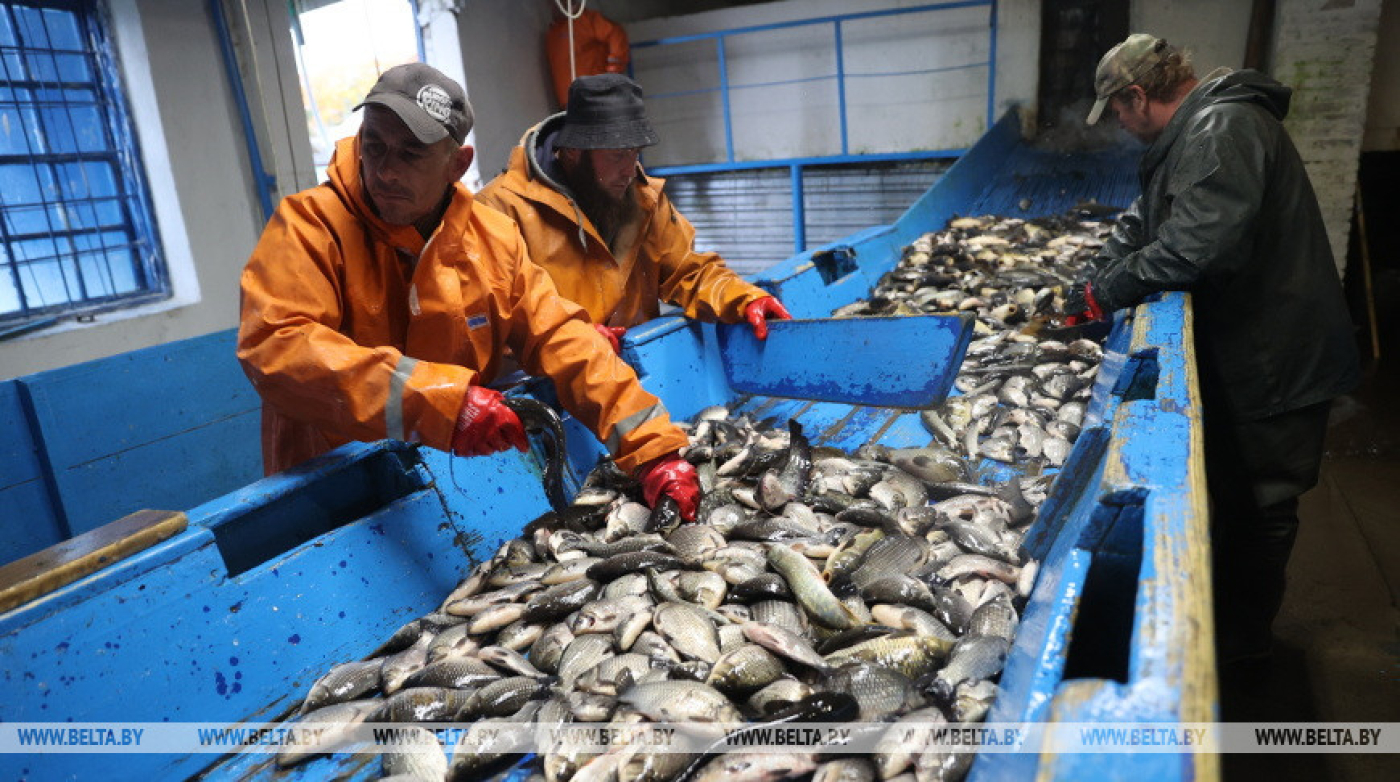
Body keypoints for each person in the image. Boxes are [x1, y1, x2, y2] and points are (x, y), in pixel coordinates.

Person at [236, 63, 700, 519]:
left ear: (457, 164)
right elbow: (276, 346)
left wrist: (654, 450)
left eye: (411, 154)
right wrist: (441, 403)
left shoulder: (492, 239)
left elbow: (563, 338)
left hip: (447, 481)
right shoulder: (308, 226)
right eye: (373, 146)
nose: (385, 171)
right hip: (331, 492)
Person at [1065, 35, 1361, 665]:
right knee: (1234, 499)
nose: (1117, 123)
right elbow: (1144, 223)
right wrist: (1094, 281)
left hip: (1276, 360)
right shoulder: (1192, 135)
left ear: (1138, 96)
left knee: (1263, 507)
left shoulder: (1223, 128)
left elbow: (1195, 249)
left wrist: (1106, 291)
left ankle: (1241, 653)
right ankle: (1219, 626)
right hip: (1251, 351)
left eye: (1116, 109)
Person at [477, 74, 791, 355]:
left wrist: (743, 298)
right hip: (553, 390)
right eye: (616, 156)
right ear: (572, 151)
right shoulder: (500, 209)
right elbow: (489, 321)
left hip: (638, 373)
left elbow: (687, 271)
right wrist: (565, 338)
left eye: (634, 153)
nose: (629, 170)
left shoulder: (642, 198)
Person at [545, 3, 630, 109]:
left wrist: (614, 68)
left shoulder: (587, 20)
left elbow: (615, 32)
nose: (552, 6)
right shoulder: (553, 33)